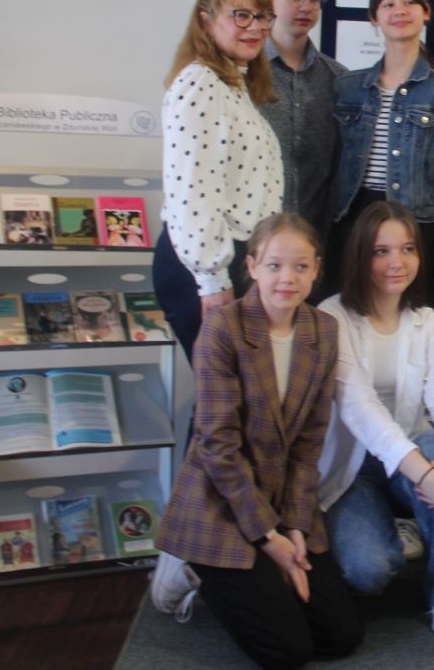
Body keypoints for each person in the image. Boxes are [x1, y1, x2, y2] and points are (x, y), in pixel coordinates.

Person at [153, 213, 362, 669]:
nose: (287, 278)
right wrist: (269, 539)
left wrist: (296, 529)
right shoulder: (223, 327)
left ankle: (261, 572)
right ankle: (193, 568)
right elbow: (217, 446)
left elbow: (309, 444)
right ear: (251, 267)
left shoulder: (323, 330)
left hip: (282, 501)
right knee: (286, 651)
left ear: (316, 270)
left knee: (340, 635)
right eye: (274, 265)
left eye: (301, 266)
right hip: (221, 501)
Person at [317, 201, 434, 635]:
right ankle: (400, 526)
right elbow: (360, 409)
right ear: (360, 256)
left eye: (408, 249)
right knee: (368, 572)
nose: (398, 262)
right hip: (351, 469)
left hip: (414, 455)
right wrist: (426, 476)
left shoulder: (428, 322)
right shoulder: (332, 316)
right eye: (381, 251)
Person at [154, 0, 283, 361]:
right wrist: (212, 281)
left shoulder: (232, 84)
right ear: (206, 21)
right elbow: (193, 191)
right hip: (207, 265)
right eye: (240, 15)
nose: (255, 26)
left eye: (262, 16)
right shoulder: (200, 83)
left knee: (238, 391)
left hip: (232, 258)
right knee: (223, 392)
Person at [331, 0, 434, 299]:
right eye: (388, 4)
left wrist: (432, 242)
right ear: (374, 18)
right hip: (353, 216)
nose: (400, 11)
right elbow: (331, 164)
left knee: (404, 311)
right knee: (350, 309)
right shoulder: (347, 87)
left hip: (413, 222)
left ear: (426, 12)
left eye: (409, 2)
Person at [259, 0, 346, 244]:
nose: (306, 7)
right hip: (254, 239)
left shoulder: (337, 79)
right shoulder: (243, 74)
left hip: (313, 241)